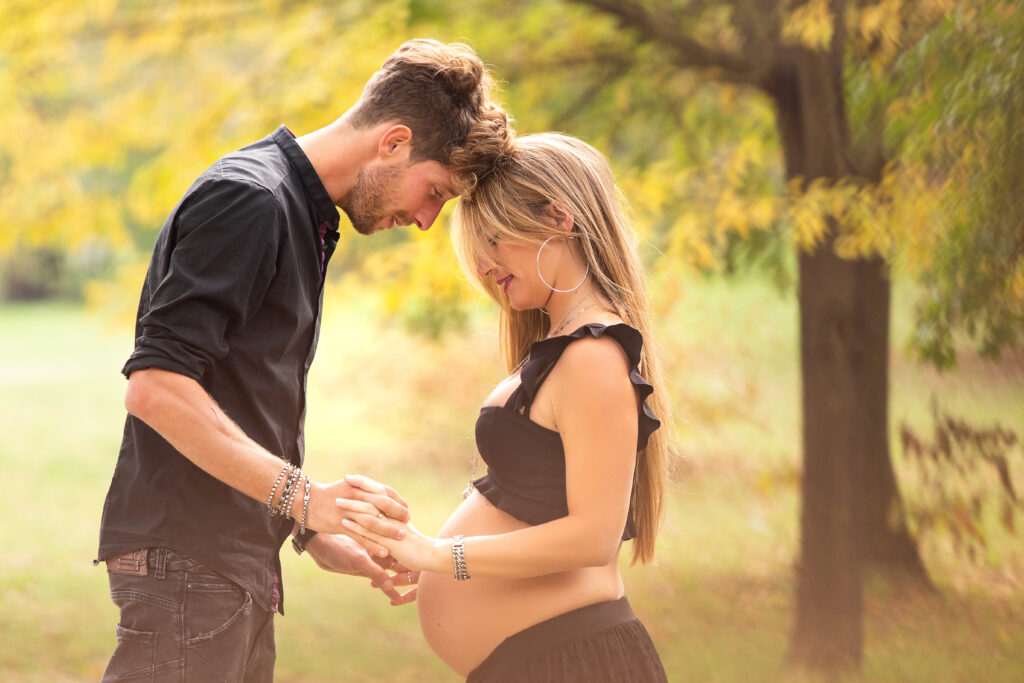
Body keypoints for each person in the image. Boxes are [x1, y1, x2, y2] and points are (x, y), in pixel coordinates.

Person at [95, 39, 513, 682]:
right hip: (189, 566)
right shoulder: (252, 199)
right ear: (394, 142)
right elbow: (156, 387)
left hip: (226, 568)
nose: (428, 220)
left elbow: (235, 397)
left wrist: (312, 529)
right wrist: (304, 496)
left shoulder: (300, 215)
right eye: (435, 192)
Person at [338, 133, 672, 682]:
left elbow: (593, 536)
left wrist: (438, 555)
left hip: (572, 662)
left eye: (495, 239)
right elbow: (533, 501)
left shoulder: (593, 354)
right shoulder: (563, 344)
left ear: (559, 218)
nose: (485, 264)